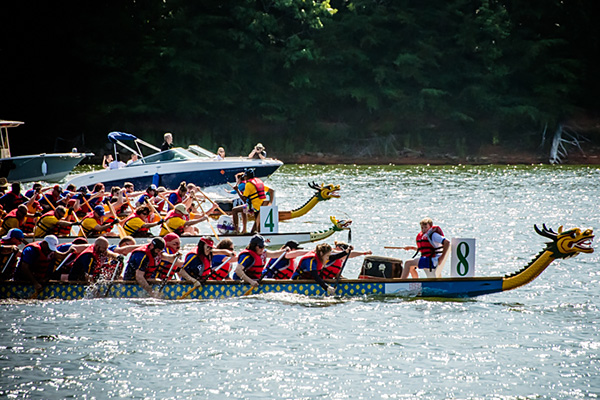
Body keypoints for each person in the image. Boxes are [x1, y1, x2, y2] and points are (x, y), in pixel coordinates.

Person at [241, 168, 274, 233]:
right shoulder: (258, 182)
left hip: (254, 207)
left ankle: (242, 230)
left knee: (235, 210)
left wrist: (237, 190)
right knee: (255, 228)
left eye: (245, 176)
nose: (244, 178)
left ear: (247, 176)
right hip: (262, 205)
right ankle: (253, 232)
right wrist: (270, 202)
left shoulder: (248, 184)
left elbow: (244, 199)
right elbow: (271, 191)